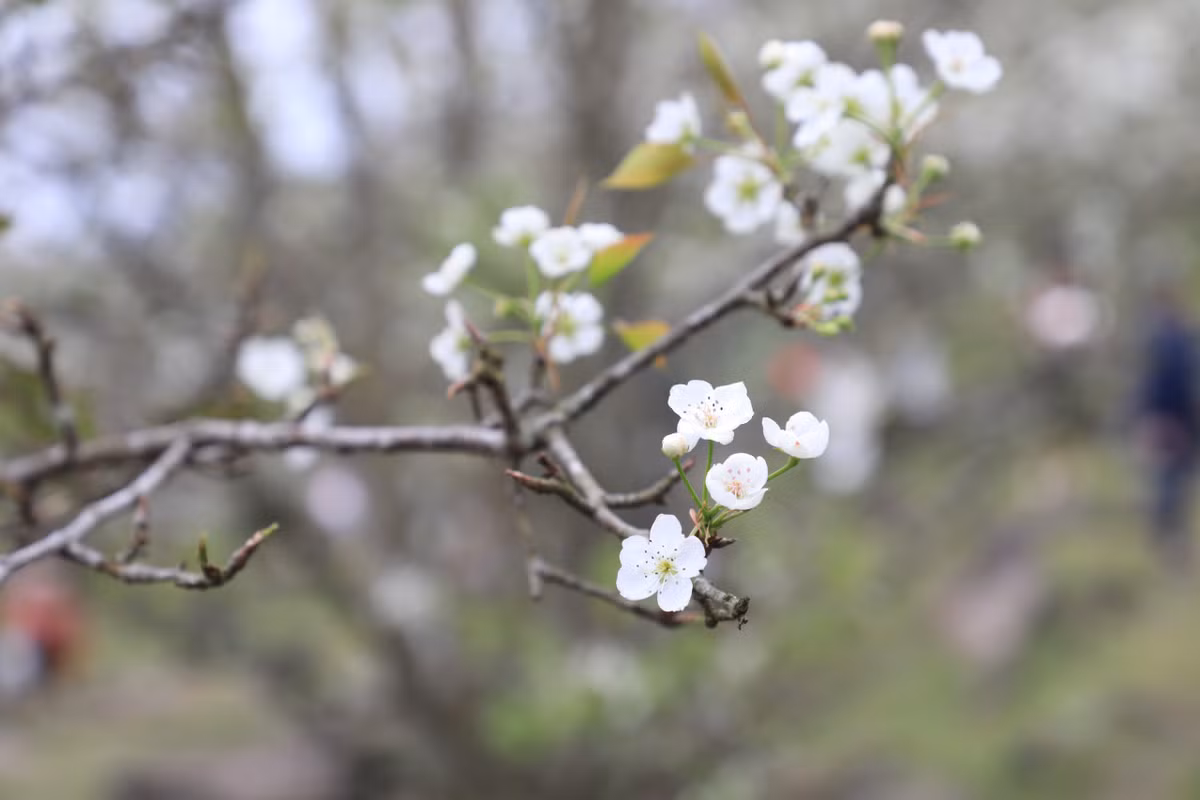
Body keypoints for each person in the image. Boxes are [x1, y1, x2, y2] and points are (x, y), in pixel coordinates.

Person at [1136, 292, 1199, 565]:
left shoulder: (1168, 343)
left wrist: (1157, 419)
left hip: (1174, 422)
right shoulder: (1180, 341)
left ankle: (1171, 546)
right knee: (1170, 485)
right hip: (1178, 421)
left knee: (1169, 486)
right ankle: (1172, 546)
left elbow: (1164, 387)